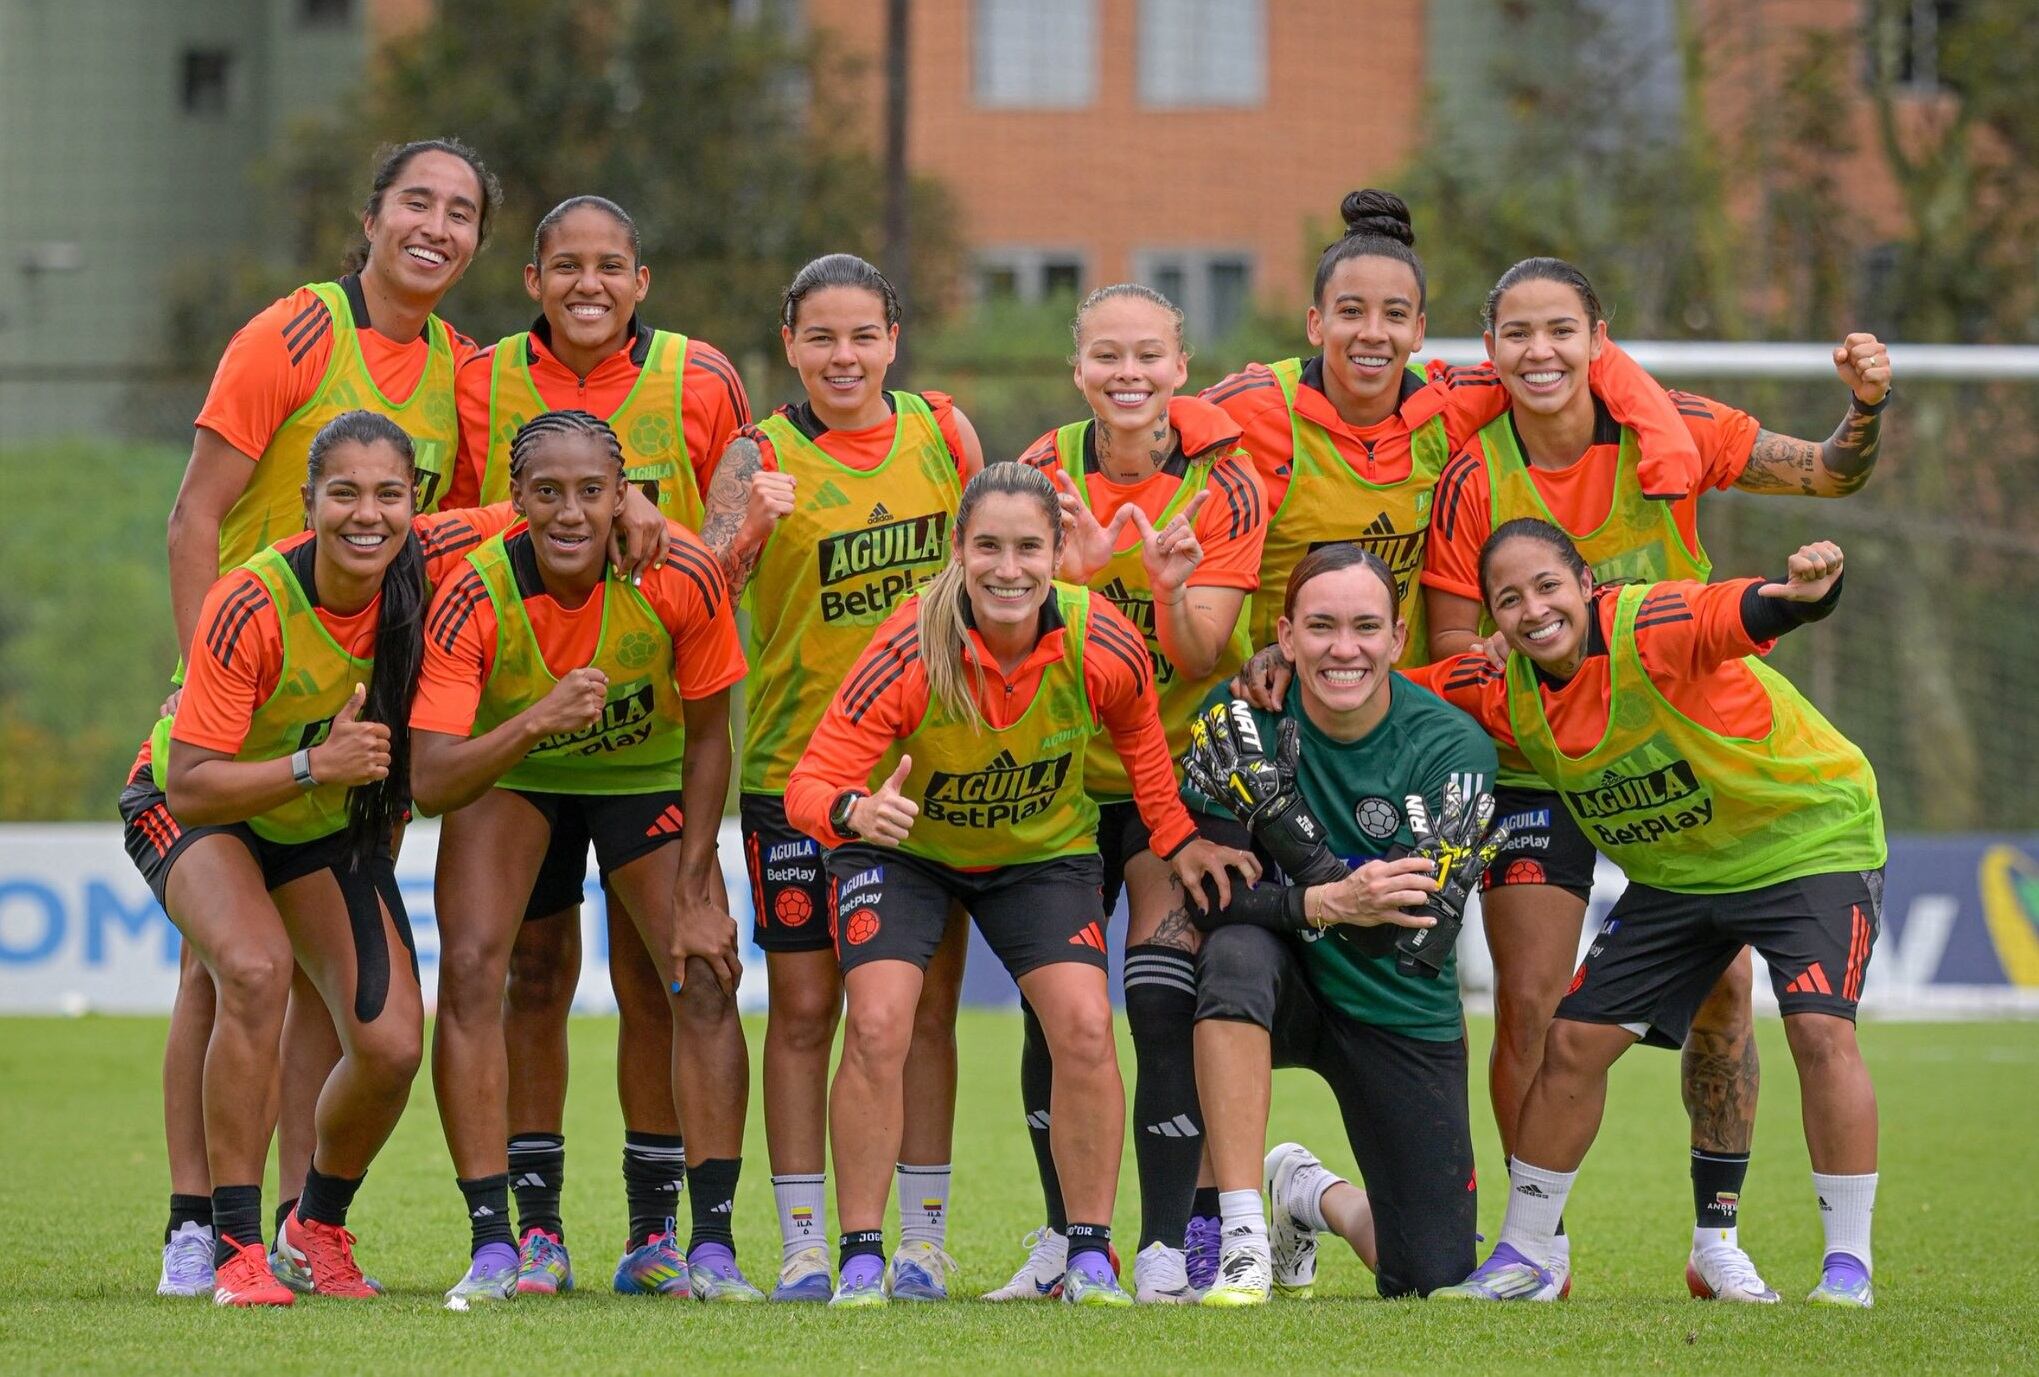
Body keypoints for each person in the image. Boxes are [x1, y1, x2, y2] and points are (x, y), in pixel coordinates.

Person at [1419, 256, 1893, 1298]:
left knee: (1730, 999)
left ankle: (1714, 1237)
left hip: (1689, 747)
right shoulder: (1467, 474)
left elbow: (1826, 474)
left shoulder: (1662, 426)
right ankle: (1533, 1253)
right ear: (1488, 350)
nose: (1537, 352)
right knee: (1538, 1008)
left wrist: (1863, 408)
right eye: (1515, 335)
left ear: (1599, 339)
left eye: (1559, 331)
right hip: (1543, 754)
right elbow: (1452, 647)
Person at [785, 462, 1258, 1308]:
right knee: (880, 1023)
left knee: (1082, 1025)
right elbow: (808, 784)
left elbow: (1145, 752)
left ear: (1057, 551)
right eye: (989, 547)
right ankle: (862, 1256)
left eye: (1029, 548)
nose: (1009, 568)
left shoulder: (1101, 637)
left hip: (1039, 856)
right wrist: (855, 810)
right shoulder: (906, 645)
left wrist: (1179, 839)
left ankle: (1087, 1253)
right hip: (904, 853)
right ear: (958, 551)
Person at [154, 136, 498, 1297]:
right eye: (417, 202)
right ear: (372, 216)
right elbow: (194, 515)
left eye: (460, 213)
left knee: (314, 983)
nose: (435, 227)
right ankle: (199, 1223)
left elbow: (467, 532)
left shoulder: (463, 367)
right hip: (242, 696)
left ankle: (300, 1226)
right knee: (227, 972)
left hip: (359, 713)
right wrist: (197, 667)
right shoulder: (295, 332)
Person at [122, 411, 507, 1305]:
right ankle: (232, 1247)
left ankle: (314, 1228)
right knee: (252, 971)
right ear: (309, 503)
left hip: (318, 822)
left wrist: (648, 523)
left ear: (414, 501)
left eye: (387, 493)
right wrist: (312, 764)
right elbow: (189, 784)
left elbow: (539, 512)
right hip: (196, 809)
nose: (366, 514)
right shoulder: (249, 602)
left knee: (391, 1044)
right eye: (344, 493)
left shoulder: (426, 556)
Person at [447, 194, 753, 1298]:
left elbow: (734, 532)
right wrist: (572, 512)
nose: (587, 283)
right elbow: (428, 525)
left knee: (676, 975)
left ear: (641, 281)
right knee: (523, 973)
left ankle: (667, 1236)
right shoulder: (475, 379)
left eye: (609, 265)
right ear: (530, 279)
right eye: (564, 265)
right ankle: (528, 1233)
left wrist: (680, 541)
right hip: (513, 742)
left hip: (645, 739)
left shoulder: (703, 376)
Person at [699, 253, 983, 1301]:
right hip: (793, 775)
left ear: (891, 339)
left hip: (923, 776)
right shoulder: (755, 454)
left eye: (861, 334)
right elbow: (696, 595)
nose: (842, 355)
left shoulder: (941, 434)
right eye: (820, 337)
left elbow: (997, 566)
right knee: (807, 1009)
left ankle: (919, 1238)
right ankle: (806, 1243)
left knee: (920, 1011)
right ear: (789, 345)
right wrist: (749, 530)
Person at [997, 282, 1267, 1303]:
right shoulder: (1038, 472)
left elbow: (1202, 649)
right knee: (1055, 1011)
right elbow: (1004, 633)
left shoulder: (1222, 480)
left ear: (1179, 366)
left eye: (1146, 355)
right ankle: (1067, 1240)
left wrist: (1152, 587)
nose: (1127, 373)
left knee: (1158, 999)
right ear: (1077, 370)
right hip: (1062, 780)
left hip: (1180, 777)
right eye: (1106, 355)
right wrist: (1070, 577)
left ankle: (1161, 1249)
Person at [1176, 543, 1503, 1305]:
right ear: (1285, 636)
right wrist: (1321, 901)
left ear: (1396, 638)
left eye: (1365, 627)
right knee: (1226, 958)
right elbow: (1209, 896)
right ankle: (1240, 1235)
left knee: (1426, 1276)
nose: (1343, 649)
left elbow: (1408, 931)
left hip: (1393, 1001)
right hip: (1278, 977)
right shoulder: (1234, 723)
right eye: (1321, 627)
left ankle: (1305, 1193)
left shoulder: (1452, 747)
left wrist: (1292, 850)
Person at [1204, 189, 1697, 668]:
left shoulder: (1445, 409)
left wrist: (1667, 441)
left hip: (1400, 706)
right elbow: (1157, 419)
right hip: (1276, 691)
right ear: (1316, 323)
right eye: (1351, 311)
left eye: (1394, 314)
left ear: (1418, 331)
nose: (1373, 332)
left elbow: (1566, 361)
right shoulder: (1256, 408)